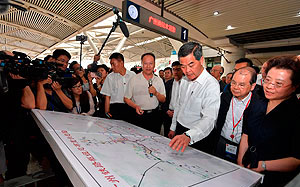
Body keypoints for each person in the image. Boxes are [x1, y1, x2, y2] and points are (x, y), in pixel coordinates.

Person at [237, 55, 300, 187]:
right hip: (246, 170)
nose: (269, 86)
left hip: (274, 177)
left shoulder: (296, 113)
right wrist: (240, 162)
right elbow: (246, 134)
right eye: (267, 80)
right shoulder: (258, 100)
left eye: (278, 84)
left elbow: (296, 159)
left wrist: (262, 165)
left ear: (294, 86)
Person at [168, 42, 220, 153]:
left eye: (191, 65)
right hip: (180, 129)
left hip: (197, 134)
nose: (187, 71)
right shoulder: (184, 80)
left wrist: (189, 135)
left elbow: (209, 118)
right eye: (183, 66)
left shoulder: (211, 85)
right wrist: (173, 127)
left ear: (201, 60)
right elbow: (179, 105)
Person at [214, 67, 257, 163]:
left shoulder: (257, 104)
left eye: (242, 84)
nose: (236, 87)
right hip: (221, 142)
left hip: (242, 147)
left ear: (252, 86)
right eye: (233, 83)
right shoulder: (224, 97)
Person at [124, 53, 166, 134]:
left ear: (154, 65)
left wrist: (156, 93)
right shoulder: (134, 79)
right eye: (145, 63)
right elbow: (126, 98)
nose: (148, 66)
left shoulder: (159, 80)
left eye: (150, 63)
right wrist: (135, 106)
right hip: (138, 116)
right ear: (141, 64)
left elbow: (163, 99)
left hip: (154, 116)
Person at [101, 52, 135, 121]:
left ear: (121, 63)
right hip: (115, 109)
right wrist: (107, 112)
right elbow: (107, 96)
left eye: (113, 64)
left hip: (130, 108)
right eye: (111, 64)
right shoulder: (110, 77)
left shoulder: (133, 75)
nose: (112, 67)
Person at [161, 61, 183, 137]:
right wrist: (167, 110)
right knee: (167, 137)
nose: (176, 72)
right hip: (168, 115)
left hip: (180, 116)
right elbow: (163, 99)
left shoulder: (187, 84)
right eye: (174, 69)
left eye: (178, 69)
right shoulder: (168, 84)